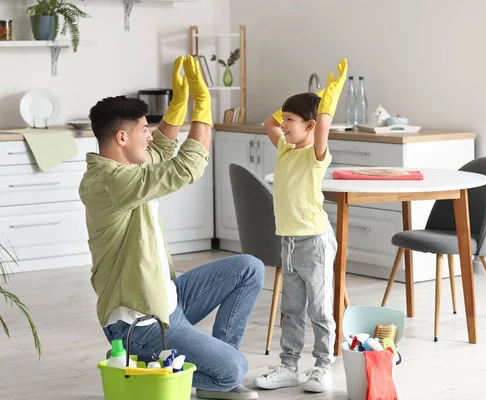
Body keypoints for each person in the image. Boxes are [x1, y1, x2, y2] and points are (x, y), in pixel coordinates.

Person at [79, 55, 263, 400]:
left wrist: (178, 103)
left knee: (248, 268)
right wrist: (203, 108)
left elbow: (162, 147)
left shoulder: (125, 166)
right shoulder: (110, 181)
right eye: (143, 130)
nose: (149, 136)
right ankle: (148, 362)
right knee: (235, 369)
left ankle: (207, 368)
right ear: (121, 137)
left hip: (167, 300)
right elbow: (185, 168)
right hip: (141, 322)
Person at [253, 58, 347, 393]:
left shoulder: (314, 155)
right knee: (291, 309)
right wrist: (302, 103)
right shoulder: (284, 148)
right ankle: (289, 365)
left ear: (309, 126)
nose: (284, 125)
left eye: (291, 120)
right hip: (290, 243)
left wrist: (327, 102)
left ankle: (323, 368)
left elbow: (322, 128)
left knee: (320, 310)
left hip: (315, 243)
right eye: (286, 119)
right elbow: (268, 122)